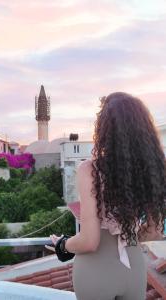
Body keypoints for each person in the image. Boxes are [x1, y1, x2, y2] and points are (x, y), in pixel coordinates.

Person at [46, 92, 166, 300]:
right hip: (133, 267)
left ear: (105, 128)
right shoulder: (153, 169)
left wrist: (62, 244)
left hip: (96, 271)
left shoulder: (91, 170)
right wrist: (125, 230)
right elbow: (154, 232)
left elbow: (89, 242)